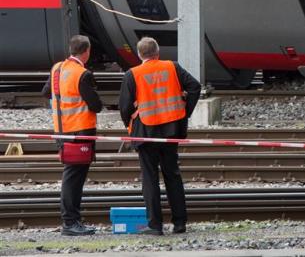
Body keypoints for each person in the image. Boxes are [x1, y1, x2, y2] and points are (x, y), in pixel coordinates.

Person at [119, 37, 201, 236]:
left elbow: (125, 107)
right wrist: (185, 111)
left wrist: (130, 125)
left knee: (150, 178)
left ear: (140, 55)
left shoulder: (133, 74)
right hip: (171, 131)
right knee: (172, 175)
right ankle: (180, 223)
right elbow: (195, 87)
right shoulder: (172, 67)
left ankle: (154, 226)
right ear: (157, 52)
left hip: (146, 133)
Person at [42, 35, 103, 236]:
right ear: (87, 51)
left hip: (62, 130)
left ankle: (72, 220)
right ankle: (70, 222)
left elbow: (46, 92)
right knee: (74, 178)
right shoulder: (82, 74)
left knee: (72, 176)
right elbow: (96, 106)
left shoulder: (57, 68)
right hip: (79, 132)